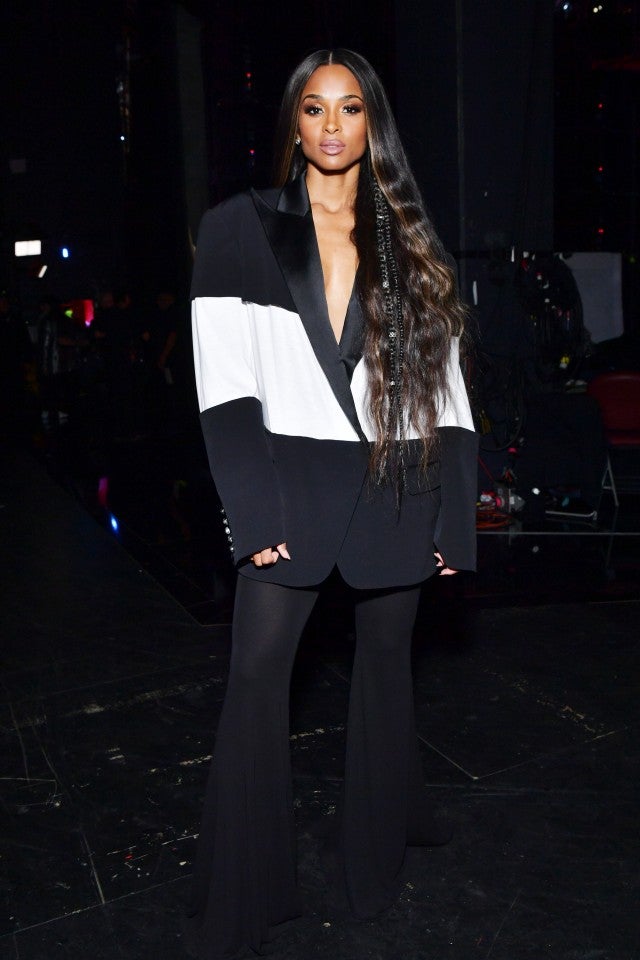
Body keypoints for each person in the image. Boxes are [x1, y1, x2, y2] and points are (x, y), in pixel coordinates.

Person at [186, 49, 478, 959]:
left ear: (370, 123)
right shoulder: (240, 227)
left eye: (351, 109)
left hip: (400, 482)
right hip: (291, 488)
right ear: (295, 123)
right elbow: (225, 384)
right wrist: (251, 508)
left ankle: (374, 866)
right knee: (254, 681)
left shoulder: (411, 238)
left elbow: (448, 390)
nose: (331, 126)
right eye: (314, 109)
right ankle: (242, 902)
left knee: (387, 678)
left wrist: (453, 514)